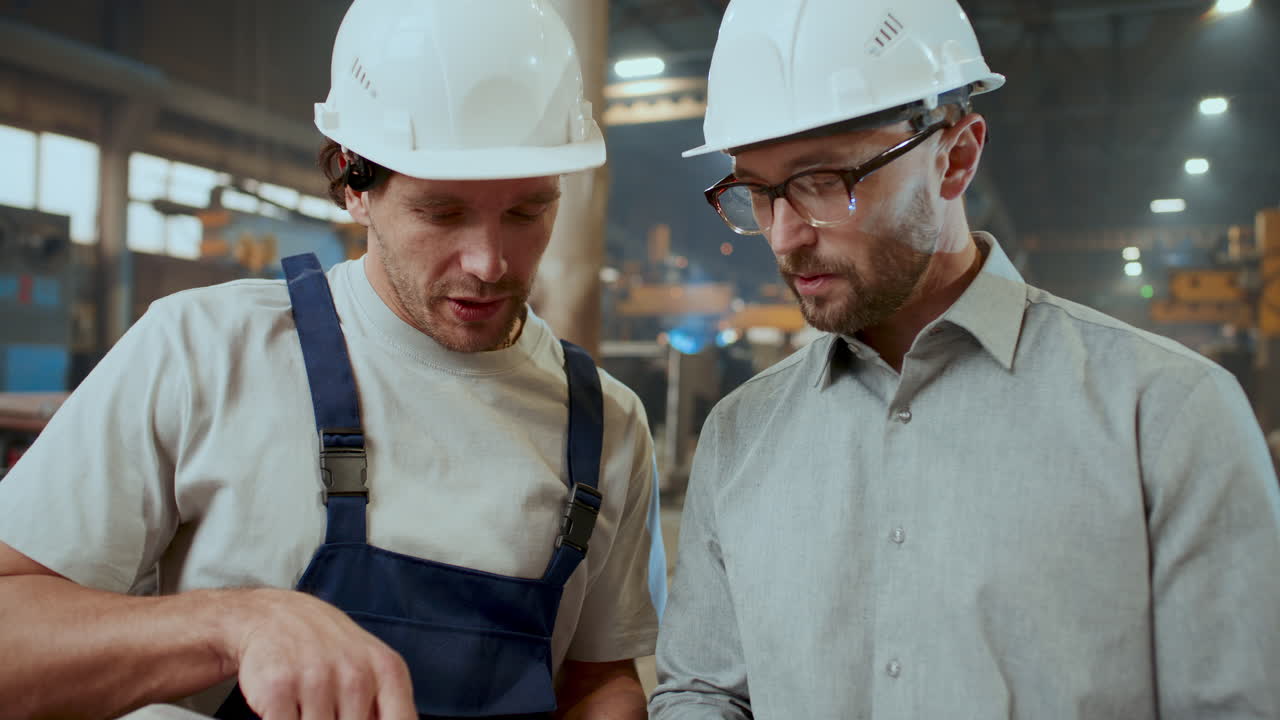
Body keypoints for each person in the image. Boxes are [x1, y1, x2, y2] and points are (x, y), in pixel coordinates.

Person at [0, 2, 664, 718]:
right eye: (441, 213)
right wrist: (233, 625)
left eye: (528, 211)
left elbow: (600, 679)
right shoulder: (204, 350)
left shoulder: (607, 423)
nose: (489, 261)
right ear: (355, 183)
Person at [650, 0, 1280, 717]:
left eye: (822, 181)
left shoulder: (1167, 417)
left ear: (954, 157)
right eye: (755, 192)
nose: (784, 237)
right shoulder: (739, 436)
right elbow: (702, 690)